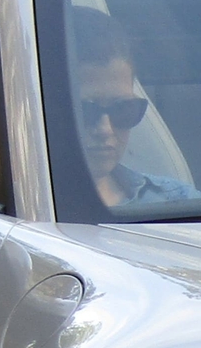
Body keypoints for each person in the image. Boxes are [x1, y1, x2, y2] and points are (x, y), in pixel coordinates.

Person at [68, 12, 189, 210]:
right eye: (85, 110)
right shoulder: (23, 214)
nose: (105, 129)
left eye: (123, 109)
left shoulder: (179, 200)